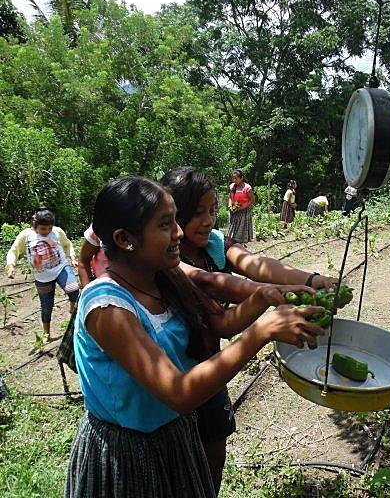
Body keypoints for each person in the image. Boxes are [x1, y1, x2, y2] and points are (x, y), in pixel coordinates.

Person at [65, 176, 324, 497]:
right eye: (164, 225)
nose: (178, 233)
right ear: (124, 239)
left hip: (174, 436)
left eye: (175, 221)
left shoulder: (164, 275)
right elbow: (178, 392)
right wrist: (262, 331)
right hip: (128, 454)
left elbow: (221, 323)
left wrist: (263, 298)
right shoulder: (107, 305)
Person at [161, 167, 330, 492]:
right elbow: (215, 283)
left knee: (214, 443)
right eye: (198, 213)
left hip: (210, 361)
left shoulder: (214, 243)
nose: (209, 220)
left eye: (213, 211)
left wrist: (309, 280)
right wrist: (278, 293)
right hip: (177, 371)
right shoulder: (168, 255)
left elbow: (257, 265)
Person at [5, 209, 79, 341]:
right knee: (46, 306)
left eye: (50, 227)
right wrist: (11, 265)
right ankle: (47, 334)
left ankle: (72, 308)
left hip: (61, 268)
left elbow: (67, 244)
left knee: (73, 290)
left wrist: (72, 257)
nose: (47, 231)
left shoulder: (57, 231)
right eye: (43, 228)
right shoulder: (26, 235)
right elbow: (13, 251)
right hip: (42, 277)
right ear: (34, 226)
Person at [227, 169, 255, 244]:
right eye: (233, 178)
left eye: (236, 178)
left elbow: (252, 200)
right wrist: (230, 205)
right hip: (233, 211)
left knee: (241, 231)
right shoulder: (232, 186)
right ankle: (231, 245)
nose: (234, 180)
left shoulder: (247, 188)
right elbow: (230, 197)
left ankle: (239, 246)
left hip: (244, 212)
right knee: (231, 230)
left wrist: (242, 207)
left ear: (241, 178)